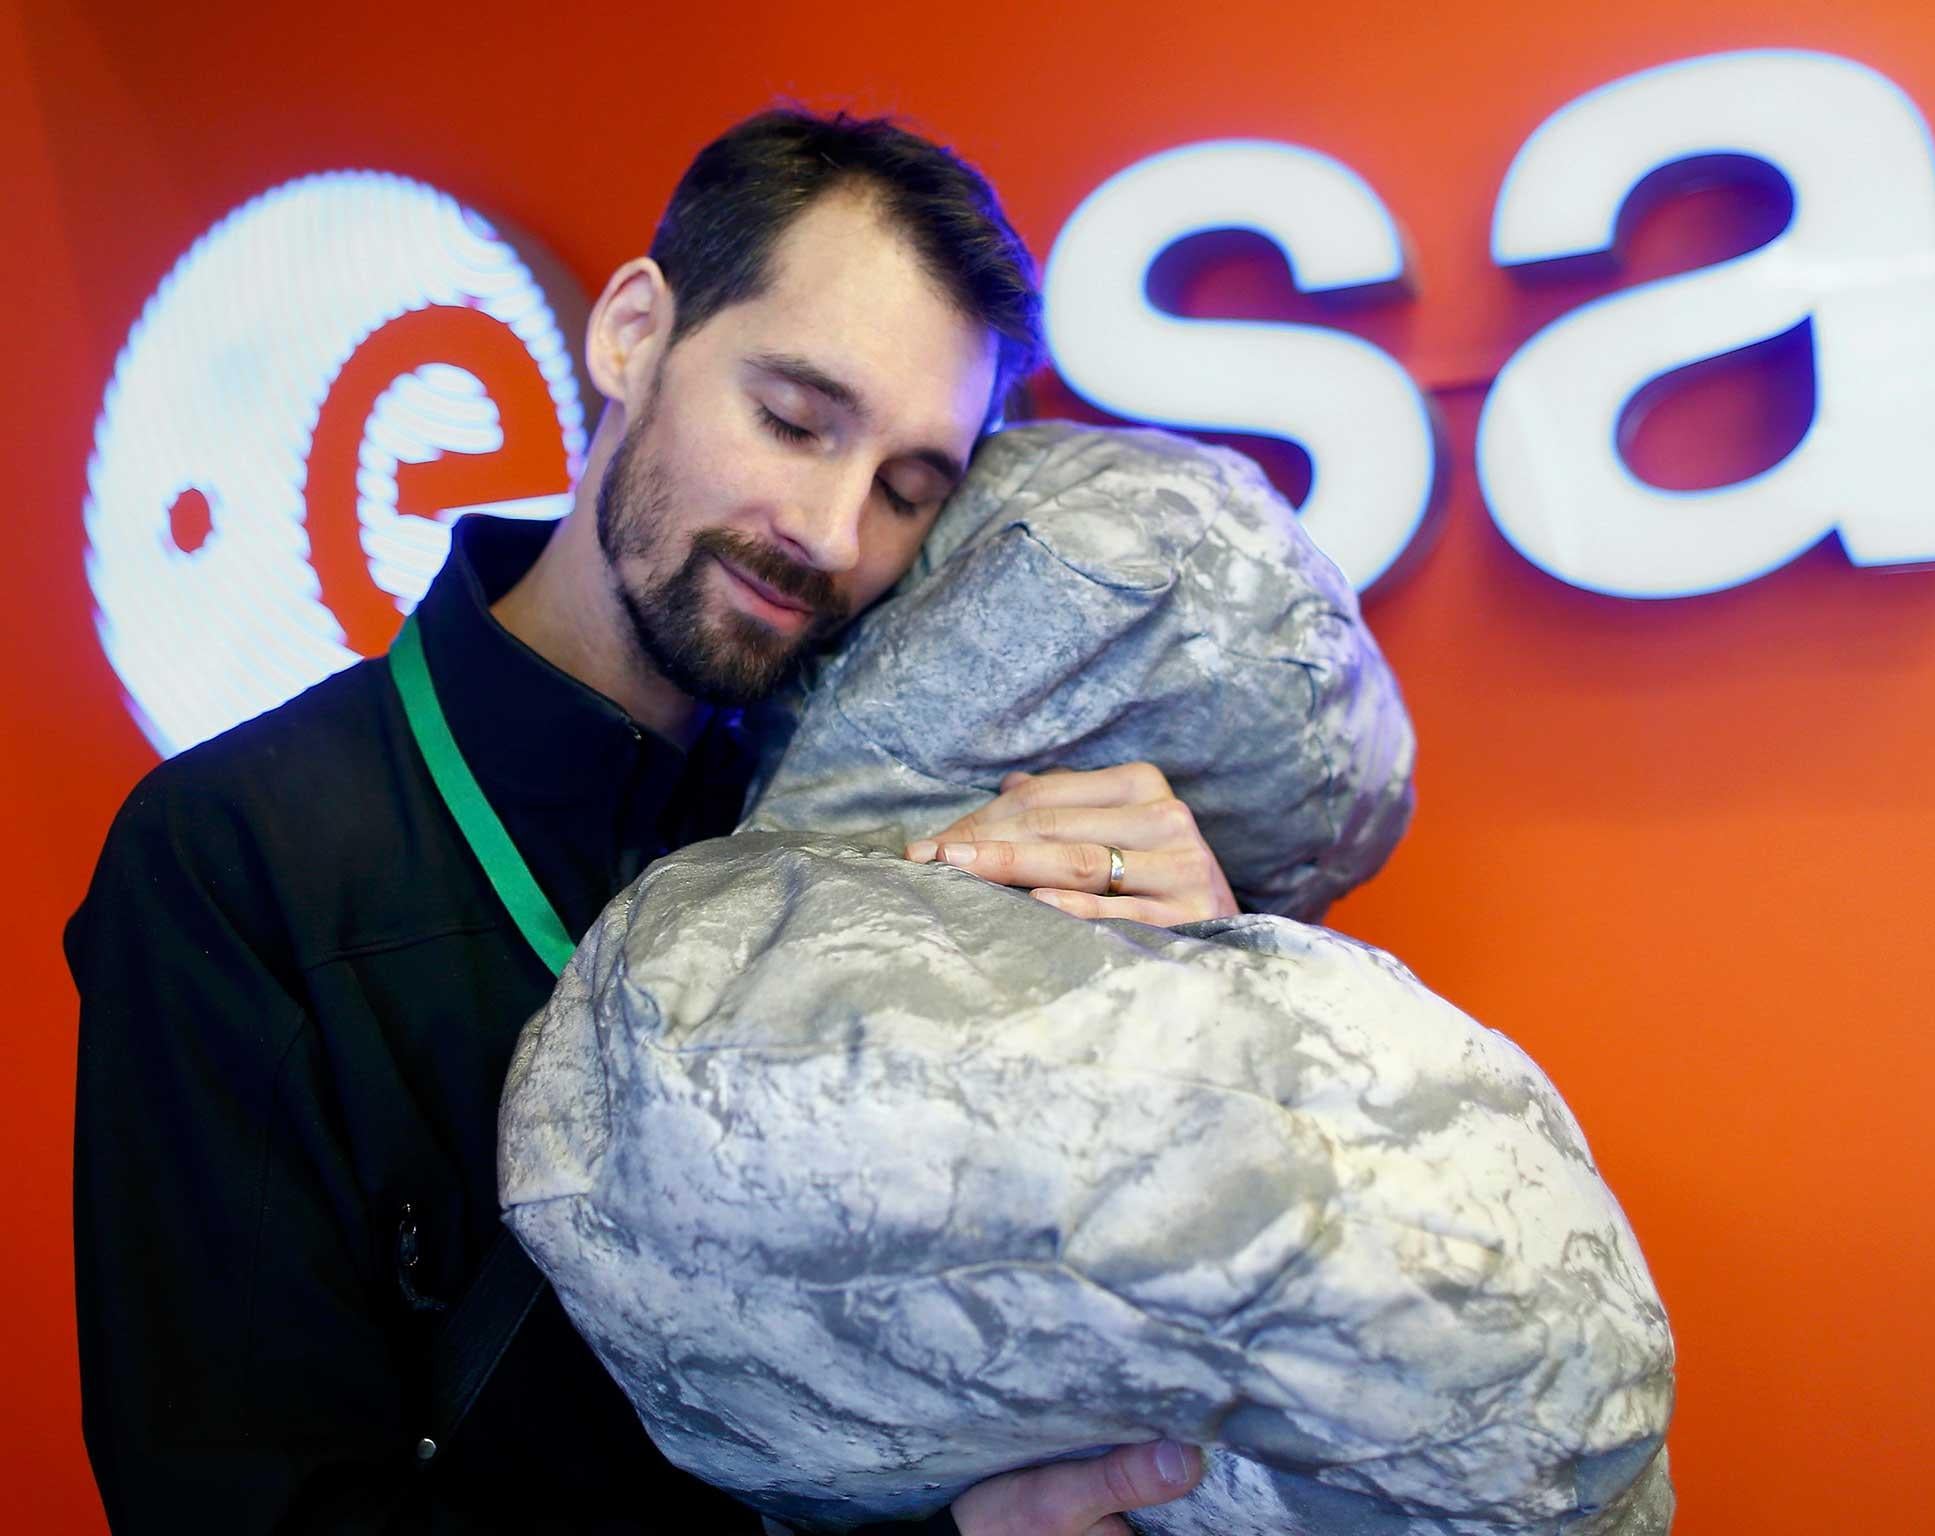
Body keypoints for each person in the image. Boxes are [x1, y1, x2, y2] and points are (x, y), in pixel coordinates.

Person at [66, 109, 1227, 1534]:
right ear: (631, 335)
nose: (832, 530)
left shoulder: (888, 853)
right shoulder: (236, 855)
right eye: (795, 421)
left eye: (907, 490)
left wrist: (1190, 994)